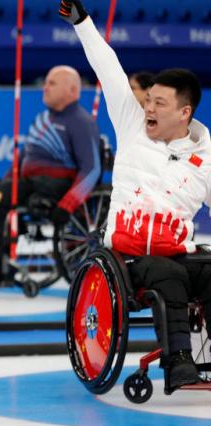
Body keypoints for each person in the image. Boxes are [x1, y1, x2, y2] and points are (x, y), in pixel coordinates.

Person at [61, 0, 211, 388]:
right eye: (148, 100)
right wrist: (83, 24)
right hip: (129, 257)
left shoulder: (205, 158)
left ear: (185, 113)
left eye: (159, 103)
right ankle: (178, 361)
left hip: (178, 251)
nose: (149, 107)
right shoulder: (131, 123)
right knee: (169, 274)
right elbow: (107, 67)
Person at [0, 65, 101, 286]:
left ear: (72, 91)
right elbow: (23, 157)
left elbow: (92, 169)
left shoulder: (81, 122)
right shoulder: (43, 118)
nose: (44, 87)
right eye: (45, 82)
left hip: (54, 186)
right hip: (26, 182)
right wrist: (7, 180)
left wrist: (67, 205)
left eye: (52, 83)